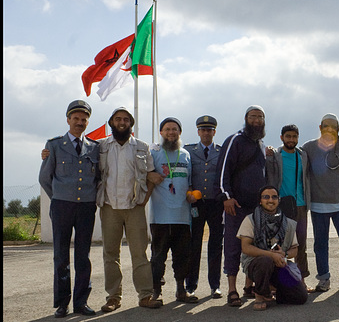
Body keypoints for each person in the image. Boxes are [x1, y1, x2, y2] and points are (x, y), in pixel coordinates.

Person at [40, 107, 163, 311]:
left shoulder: (141, 147)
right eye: (117, 119)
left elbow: (150, 174)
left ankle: (145, 295)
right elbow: (59, 170)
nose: (121, 122)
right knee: (110, 254)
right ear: (111, 123)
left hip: (134, 207)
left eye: (125, 119)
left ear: (130, 124)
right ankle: (113, 297)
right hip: (109, 207)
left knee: (139, 253)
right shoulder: (101, 146)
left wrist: (145, 198)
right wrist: (59, 195)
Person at [39, 100, 100, 318]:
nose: (80, 122)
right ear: (68, 120)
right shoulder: (54, 145)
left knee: (83, 256)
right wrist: (58, 197)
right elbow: (45, 178)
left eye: (84, 119)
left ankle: (81, 302)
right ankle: (62, 303)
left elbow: (98, 177)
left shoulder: (95, 147)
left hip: (85, 207)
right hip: (62, 206)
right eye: (76, 118)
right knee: (61, 256)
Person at [301, 113, 339, 295]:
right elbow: (293, 161)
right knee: (320, 244)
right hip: (318, 207)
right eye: (326, 126)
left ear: (338, 129)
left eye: (333, 127)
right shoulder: (308, 148)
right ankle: (323, 279)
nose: (329, 130)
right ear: (320, 127)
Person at [214, 105, 267, 307]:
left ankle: (248, 286)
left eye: (260, 117)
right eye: (253, 117)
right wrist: (226, 197)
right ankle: (232, 289)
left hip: (256, 209)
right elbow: (222, 172)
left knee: (254, 246)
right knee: (233, 247)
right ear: (246, 118)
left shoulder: (261, 144)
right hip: (235, 206)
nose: (256, 120)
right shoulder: (235, 140)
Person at [148, 117, 199, 304]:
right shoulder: (154, 154)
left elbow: (190, 182)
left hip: (182, 216)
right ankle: (156, 291)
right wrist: (149, 174)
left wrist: (192, 194)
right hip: (160, 216)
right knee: (158, 256)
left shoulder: (185, 154)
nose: (171, 132)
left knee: (182, 256)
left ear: (180, 132)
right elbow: (144, 174)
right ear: (161, 133)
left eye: (175, 129)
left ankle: (181, 290)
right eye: (167, 129)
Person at [237, 185, 308, 310]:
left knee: (300, 296)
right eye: (266, 197)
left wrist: (284, 254)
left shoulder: (289, 223)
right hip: (256, 266)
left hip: (279, 265)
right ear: (260, 200)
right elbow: (246, 248)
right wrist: (271, 255)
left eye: (274, 197)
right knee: (266, 261)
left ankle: (273, 291)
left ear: (279, 200)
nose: (270, 200)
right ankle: (259, 295)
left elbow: (295, 250)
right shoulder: (250, 220)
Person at [265, 124, 314, 293]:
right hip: (281, 206)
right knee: (277, 244)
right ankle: (274, 284)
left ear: (298, 138)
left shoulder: (303, 156)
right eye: (288, 136)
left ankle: (301, 280)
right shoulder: (275, 155)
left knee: (300, 245)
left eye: (294, 136)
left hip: (300, 206)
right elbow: (269, 175)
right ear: (282, 138)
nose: (291, 139)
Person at [184, 115, 224, 299]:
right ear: (198, 132)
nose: (206, 133)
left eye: (209, 130)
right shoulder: (188, 151)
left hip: (216, 203)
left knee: (216, 244)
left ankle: (214, 285)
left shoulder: (221, 151)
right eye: (203, 130)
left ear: (214, 132)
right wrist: (190, 190)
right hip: (196, 203)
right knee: (194, 244)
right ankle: (190, 285)